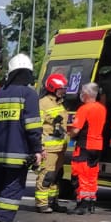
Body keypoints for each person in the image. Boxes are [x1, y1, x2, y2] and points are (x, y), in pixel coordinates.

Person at [0, 54, 41, 222]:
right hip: (19, 151)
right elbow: (32, 125)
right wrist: (37, 149)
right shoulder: (28, 94)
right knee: (12, 187)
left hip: (0, 150)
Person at [33, 72, 70, 213]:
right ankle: (41, 203)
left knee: (56, 176)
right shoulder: (43, 104)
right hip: (49, 149)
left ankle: (53, 201)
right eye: (61, 89)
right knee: (47, 175)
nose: (64, 91)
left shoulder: (59, 103)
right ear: (52, 88)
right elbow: (37, 126)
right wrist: (39, 147)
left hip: (60, 147)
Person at [67, 82, 106, 214]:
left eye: (82, 93)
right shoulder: (102, 108)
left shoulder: (84, 109)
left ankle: (82, 204)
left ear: (86, 94)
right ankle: (91, 202)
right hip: (97, 145)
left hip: (84, 145)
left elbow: (76, 130)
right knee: (92, 175)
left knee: (80, 174)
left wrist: (69, 134)